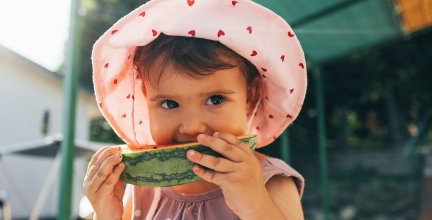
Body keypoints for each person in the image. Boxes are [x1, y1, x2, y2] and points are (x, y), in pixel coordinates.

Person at [84, 0, 307, 219]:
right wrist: (106, 215)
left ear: (251, 96)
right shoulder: (140, 186)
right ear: (145, 98)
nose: (192, 126)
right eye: (170, 104)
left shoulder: (273, 182)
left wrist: (255, 205)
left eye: (215, 99)